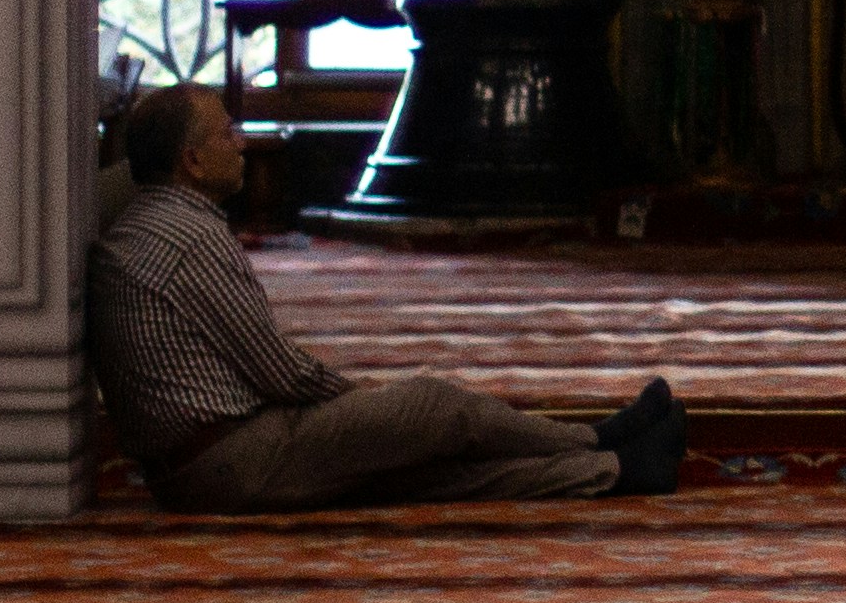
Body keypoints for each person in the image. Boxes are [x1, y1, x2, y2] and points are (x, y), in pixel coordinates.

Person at [90, 82, 689, 513]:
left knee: (416, 471)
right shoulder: (188, 236)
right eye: (226, 133)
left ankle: (612, 472)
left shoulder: (156, 222)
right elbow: (282, 374)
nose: (241, 143)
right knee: (430, 409)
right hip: (232, 460)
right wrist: (365, 406)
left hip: (202, 467)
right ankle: (595, 439)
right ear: (192, 160)